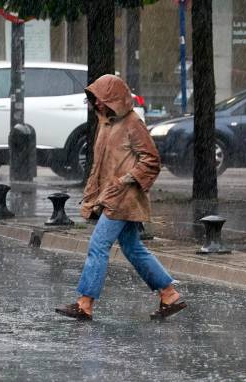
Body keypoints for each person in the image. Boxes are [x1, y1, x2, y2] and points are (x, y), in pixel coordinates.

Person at [55, 74, 186, 321]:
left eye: (102, 99)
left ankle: (85, 304)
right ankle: (169, 295)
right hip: (112, 196)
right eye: (95, 100)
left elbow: (151, 159)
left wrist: (126, 179)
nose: (98, 104)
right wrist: (93, 193)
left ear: (114, 98)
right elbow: (100, 164)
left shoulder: (132, 123)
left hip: (123, 197)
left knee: (98, 246)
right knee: (132, 247)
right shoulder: (106, 124)